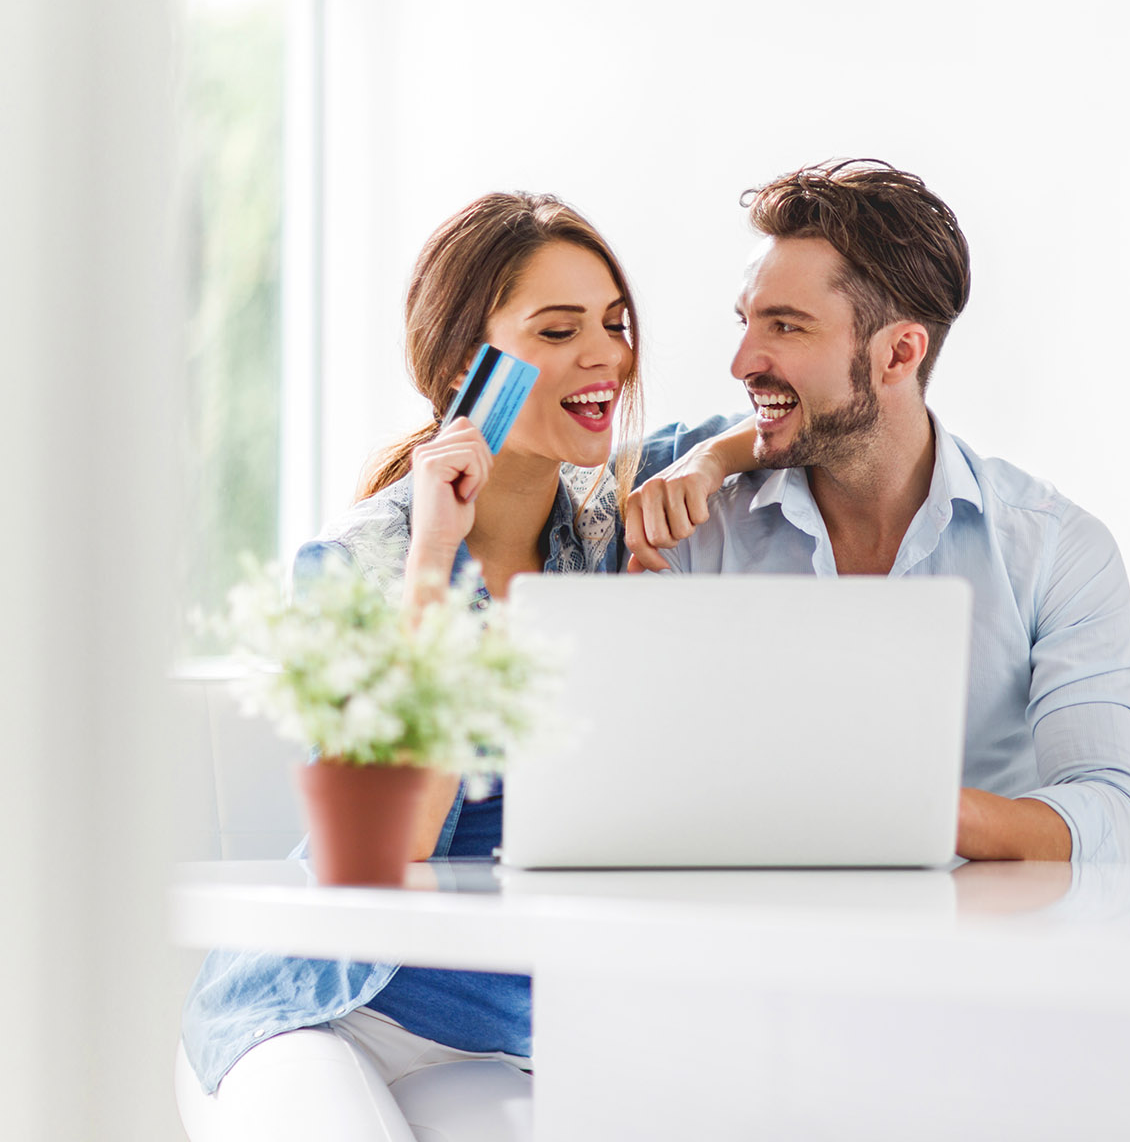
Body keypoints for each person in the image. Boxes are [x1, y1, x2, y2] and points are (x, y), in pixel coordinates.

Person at [176, 192, 756, 1142]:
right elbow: (395, 840)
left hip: (499, 1027)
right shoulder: (357, 559)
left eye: (615, 323)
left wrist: (717, 459)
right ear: (464, 371)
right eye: (559, 329)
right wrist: (434, 559)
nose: (606, 353)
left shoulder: (606, 514)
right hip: (324, 1003)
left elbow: (799, 421)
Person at [634, 159, 1130, 864]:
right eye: (748, 322)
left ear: (899, 353)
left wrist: (905, 810)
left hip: (969, 953)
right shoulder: (696, 528)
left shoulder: (1055, 552)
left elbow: (1116, 817)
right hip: (747, 946)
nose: (742, 362)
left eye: (786, 327)